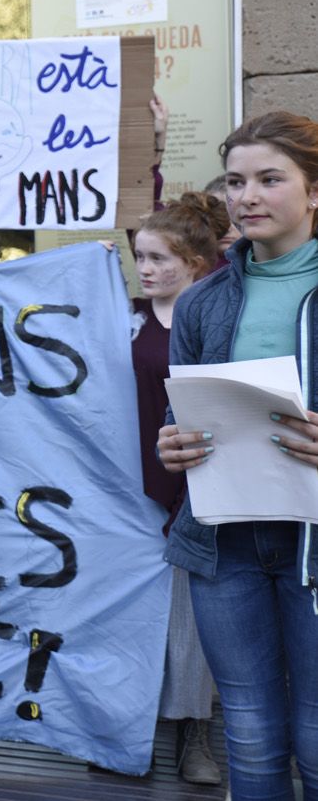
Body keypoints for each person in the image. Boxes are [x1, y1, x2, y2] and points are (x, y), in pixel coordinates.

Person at [159, 110, 318, 800]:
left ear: (314, 191)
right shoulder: (199, 304)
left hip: (314, 543)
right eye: (235, 180)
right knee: (248, 732)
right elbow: (180, 414)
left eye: (269, 178)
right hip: (223, 541)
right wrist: (173, 441)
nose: (247, 195)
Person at [130, 193, 230, 785]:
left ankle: (194, 733)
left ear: (195, 263)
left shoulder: (218, 312)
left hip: (198, 480)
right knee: (139, 609)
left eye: (158, 258)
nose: (143, 268)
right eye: (139, 256)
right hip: (135, 481)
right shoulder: (131, 316)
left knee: (191, 612)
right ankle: (131, 719)